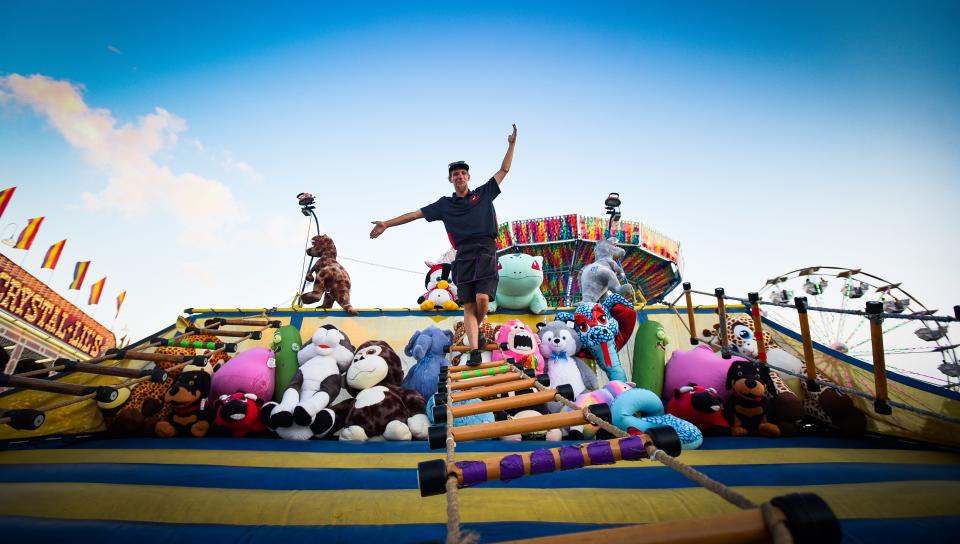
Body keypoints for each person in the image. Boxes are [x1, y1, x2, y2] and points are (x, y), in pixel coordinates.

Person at [370, 124, 517, 365]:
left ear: (468, 177)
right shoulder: (444, 205)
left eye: (463, 173)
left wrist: (511, 145)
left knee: (482, 300)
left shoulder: (484, 193)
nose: (459, 176)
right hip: (463, 254)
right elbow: (415, 214)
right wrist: (386, 223)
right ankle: (474, 350)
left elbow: (504, 169)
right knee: (468, 306)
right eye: (455, 174)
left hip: (485, 248)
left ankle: (475, 332)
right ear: (450, 179)